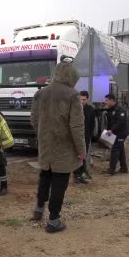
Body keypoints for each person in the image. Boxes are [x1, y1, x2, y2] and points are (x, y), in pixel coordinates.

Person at [29, 60, 86, 233]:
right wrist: (81, 151)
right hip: (64, 147)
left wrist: (44, 133)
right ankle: (53, 220)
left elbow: (33, 119)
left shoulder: (41, 93)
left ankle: (38, 209)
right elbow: (76, 127)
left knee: (45, 176)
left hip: (46, 145)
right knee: (60, 182)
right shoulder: (72, 95)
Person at [73, 91, 95, 184]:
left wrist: (89, 136)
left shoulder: (90, 109)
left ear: (87, 99)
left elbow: (92, 124)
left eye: (84, 99)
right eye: (80, 99)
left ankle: (82, 175)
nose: (82, 101)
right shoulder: (75, 109)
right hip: (77, 137)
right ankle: (76, 175)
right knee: (77, 156)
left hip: (85, 137)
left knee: (83, 157)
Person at [104, 94, 129, 175]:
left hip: (121, 133)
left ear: (112, 100)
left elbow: (120, 122)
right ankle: (124, 168)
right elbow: (111, 122)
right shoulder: (111, 109)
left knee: (115, 149)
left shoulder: (120, 110)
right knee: (120, 149)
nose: (106, 102)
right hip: (116, 133)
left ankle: (112, 169)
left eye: (107, 100)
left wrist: (111, 130)